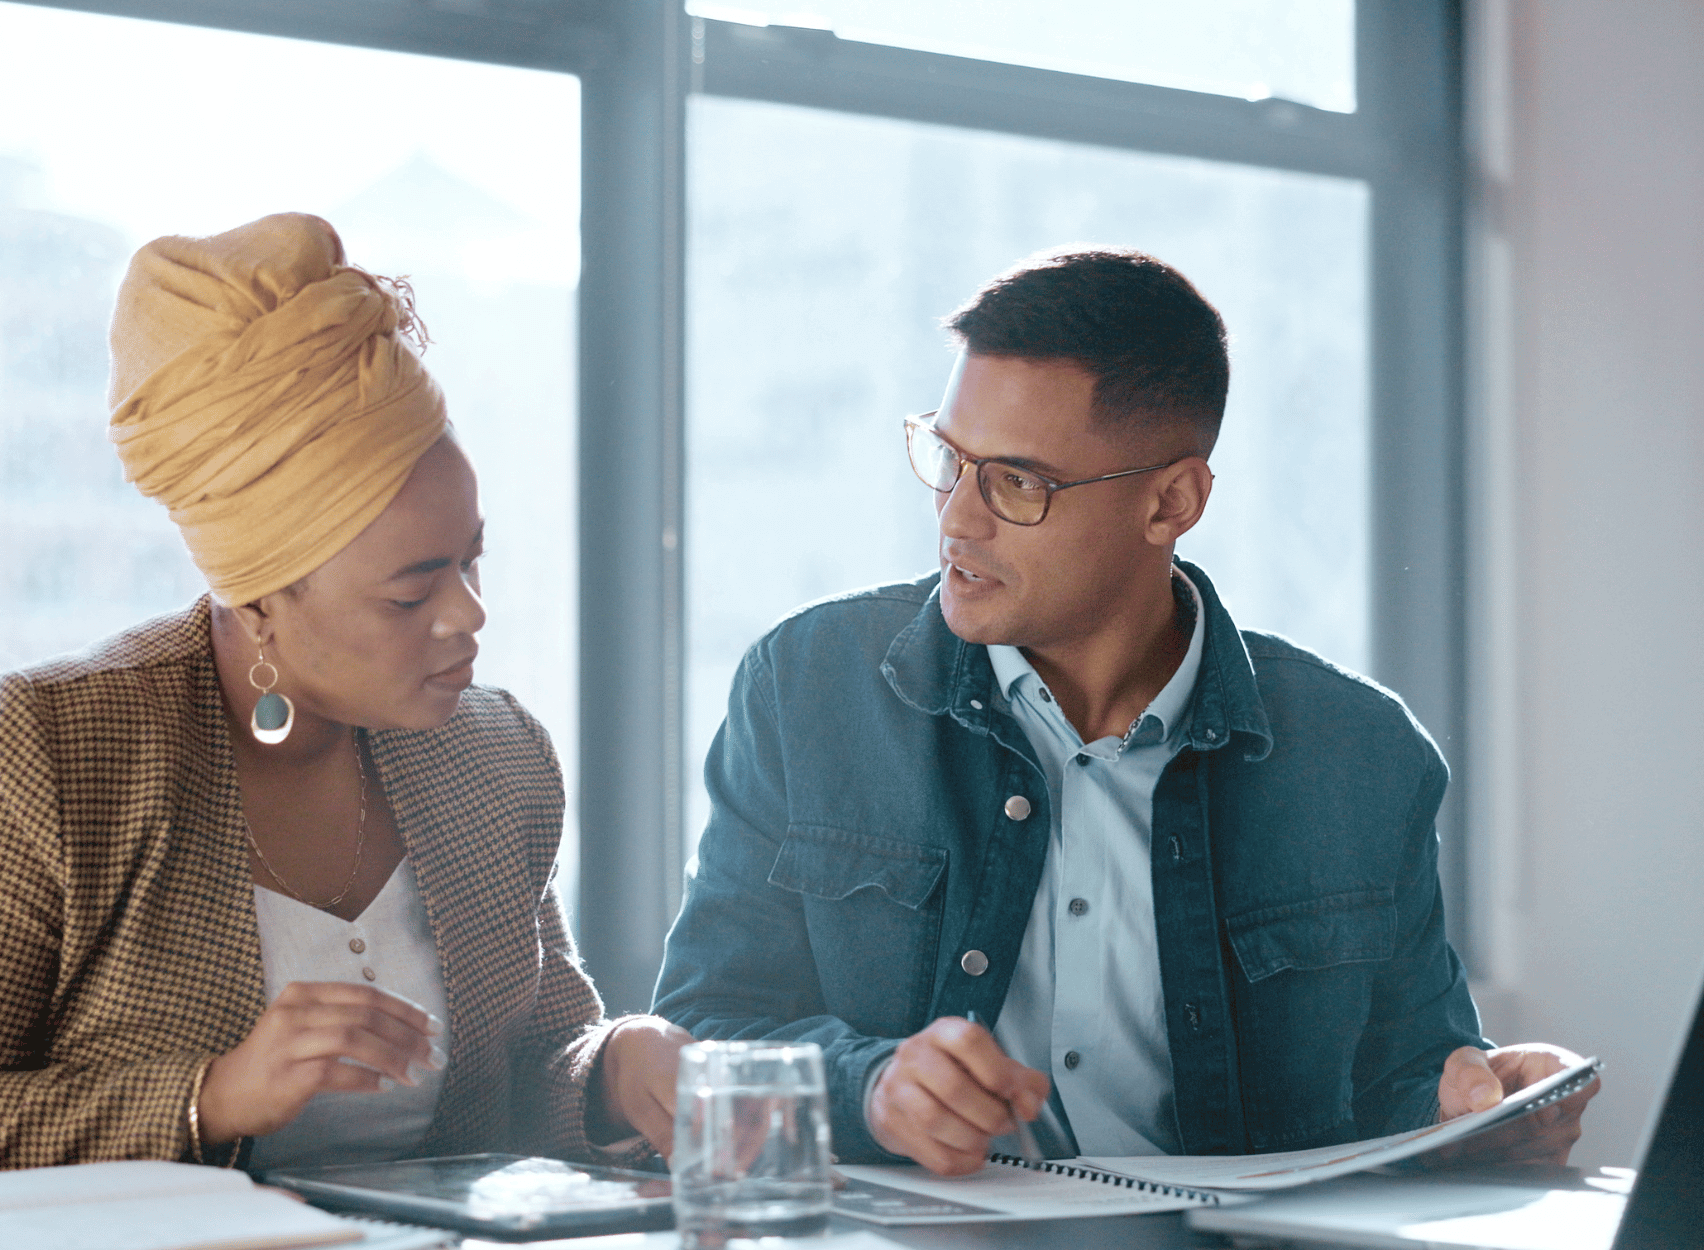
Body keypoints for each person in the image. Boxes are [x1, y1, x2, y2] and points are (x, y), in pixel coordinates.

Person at [652, 247, 1598, 1175]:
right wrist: (872, 1090)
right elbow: (700, 1033)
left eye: (1017, 481)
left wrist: (1486, 1104)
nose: (955, 518)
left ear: (1171, 503)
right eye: (948, 458)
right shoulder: (809, 689)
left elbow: (1409, 1080)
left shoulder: (1365, 755)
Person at [0, 213, 689, 1180]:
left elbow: (526, 1067)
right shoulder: (49, 754)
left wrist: (612, 1068)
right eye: (412, 590)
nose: (467, 615)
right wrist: (209, 1096)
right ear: (262, 599)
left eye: (472, 560)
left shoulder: (495, 759)